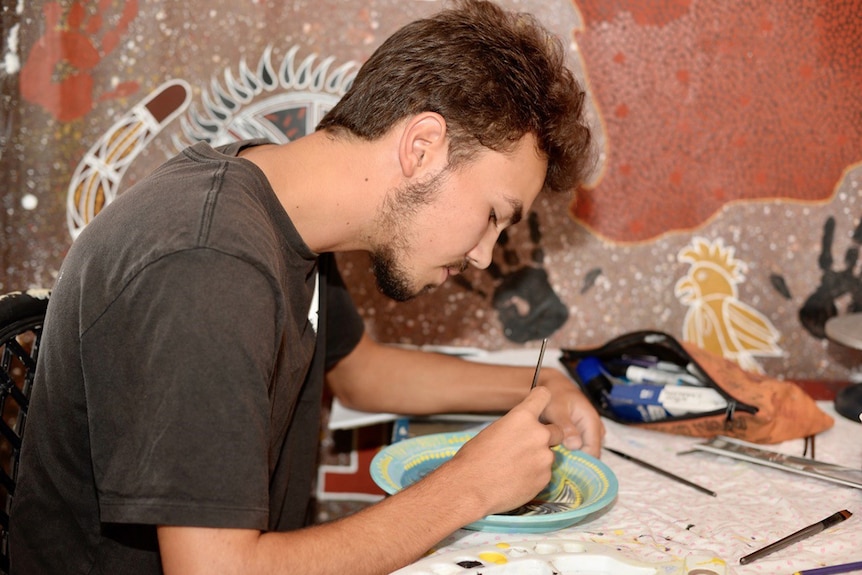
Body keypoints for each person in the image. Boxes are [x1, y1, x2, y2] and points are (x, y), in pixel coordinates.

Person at [10, 1, 602, 573]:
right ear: (422, 148)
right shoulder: (208, 263)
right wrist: (468, 488)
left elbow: (360, 372)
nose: (482, 254)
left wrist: (543, 383)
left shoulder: (291, 210)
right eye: (494, 215)